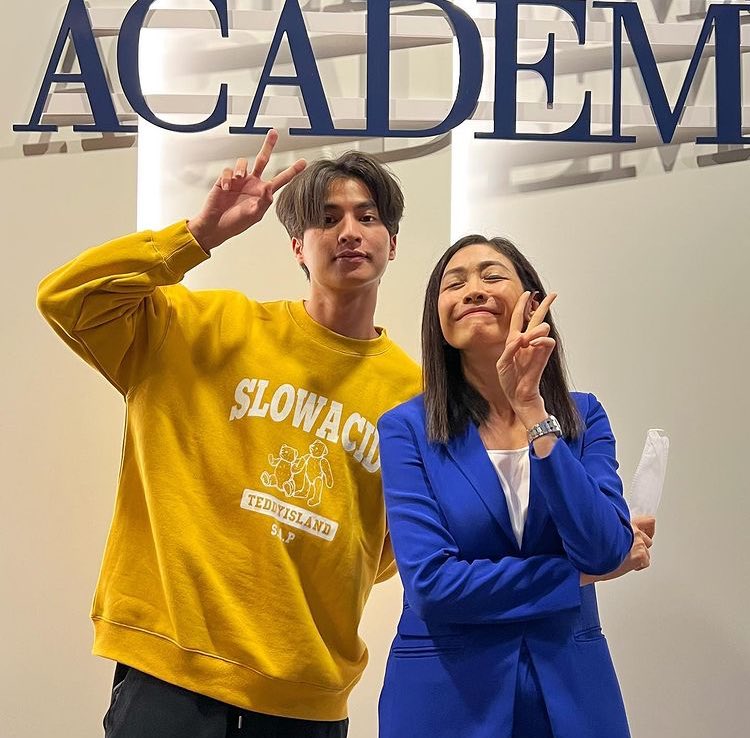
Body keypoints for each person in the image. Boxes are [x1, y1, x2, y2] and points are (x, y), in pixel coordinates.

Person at [37, 130, 421, 738]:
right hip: (171, 672)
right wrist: (196, 237)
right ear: (298, 247)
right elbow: (67, 298)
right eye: (327, 219)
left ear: (391, 243)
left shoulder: (414, 396)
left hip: (305, 695)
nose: (349, 231)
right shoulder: (202, 328)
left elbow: (386, 548)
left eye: (366, 217)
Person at [377, 234, 654, 738]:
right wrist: (573, 578)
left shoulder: (583, 416)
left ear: (531, 302)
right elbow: (433, 586)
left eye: (492, 275)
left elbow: (602, 548)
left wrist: (532, 411)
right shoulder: (406, 429)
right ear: (437, 318)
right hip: (445, 698)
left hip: (573, 696)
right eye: (453, 284)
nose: (472, 290)